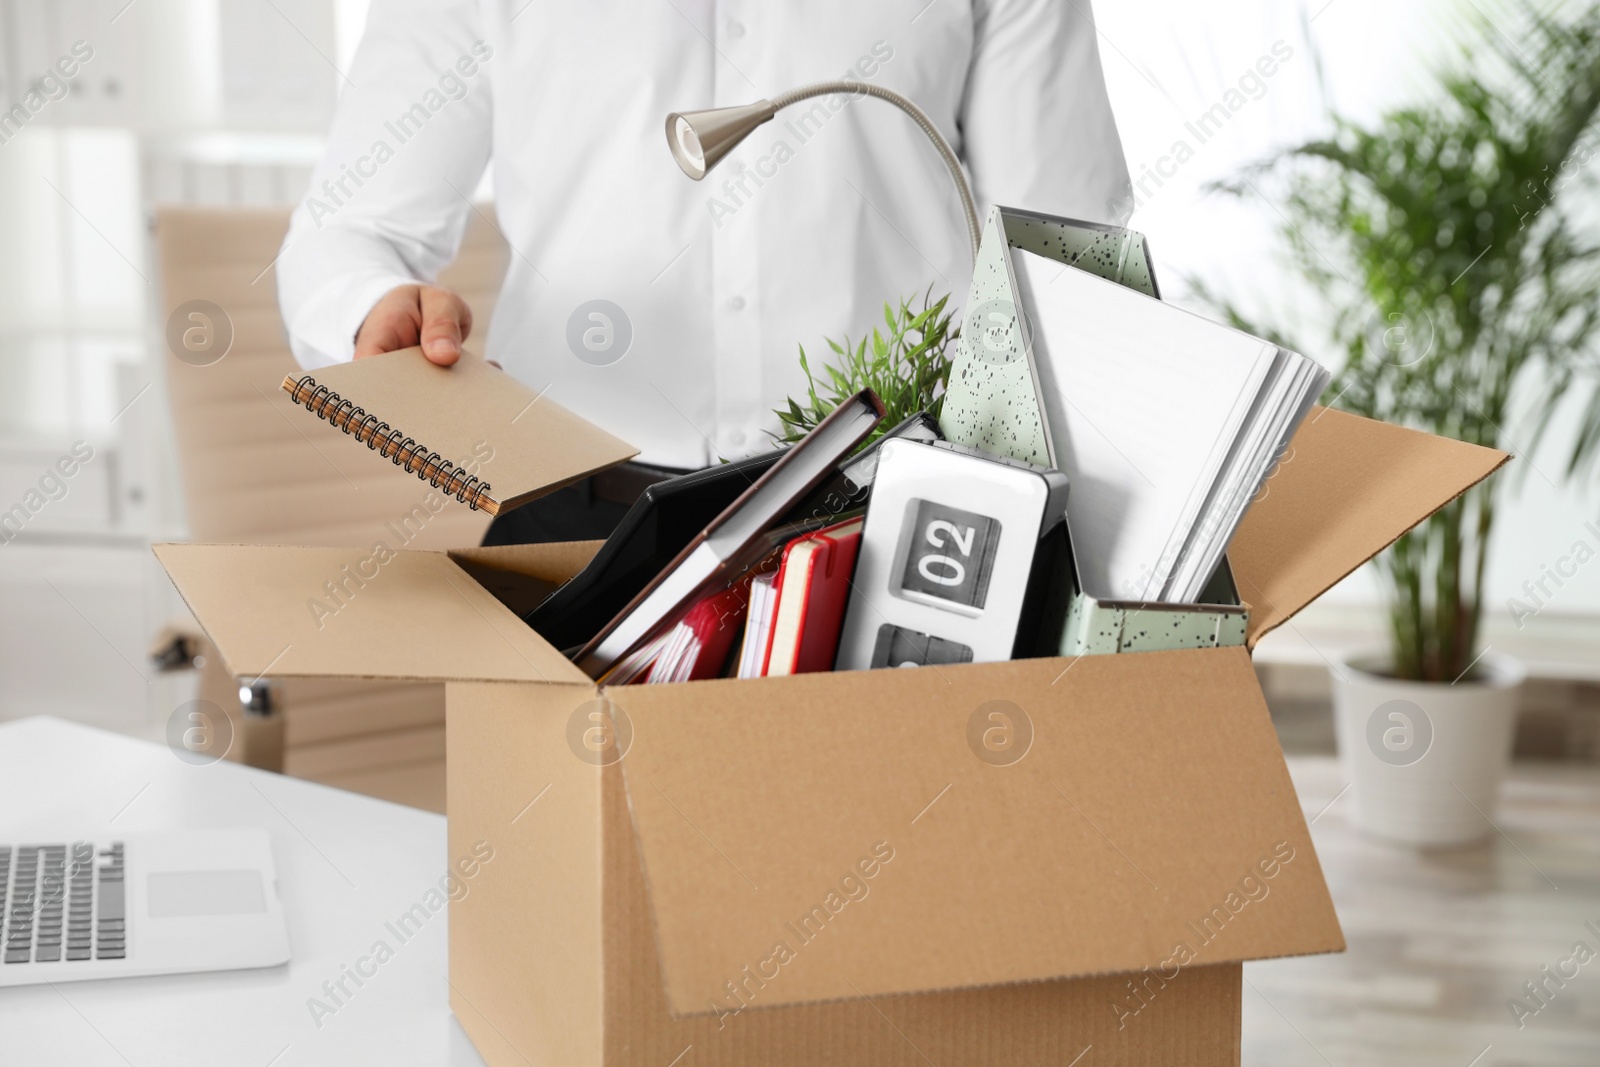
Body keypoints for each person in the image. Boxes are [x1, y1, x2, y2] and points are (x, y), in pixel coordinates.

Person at [277, 0, 1131, 544]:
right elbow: (348, 231)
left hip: (902, 522)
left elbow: (1063, 246)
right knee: (569, 830)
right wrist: (371, 308)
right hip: (578, 527)